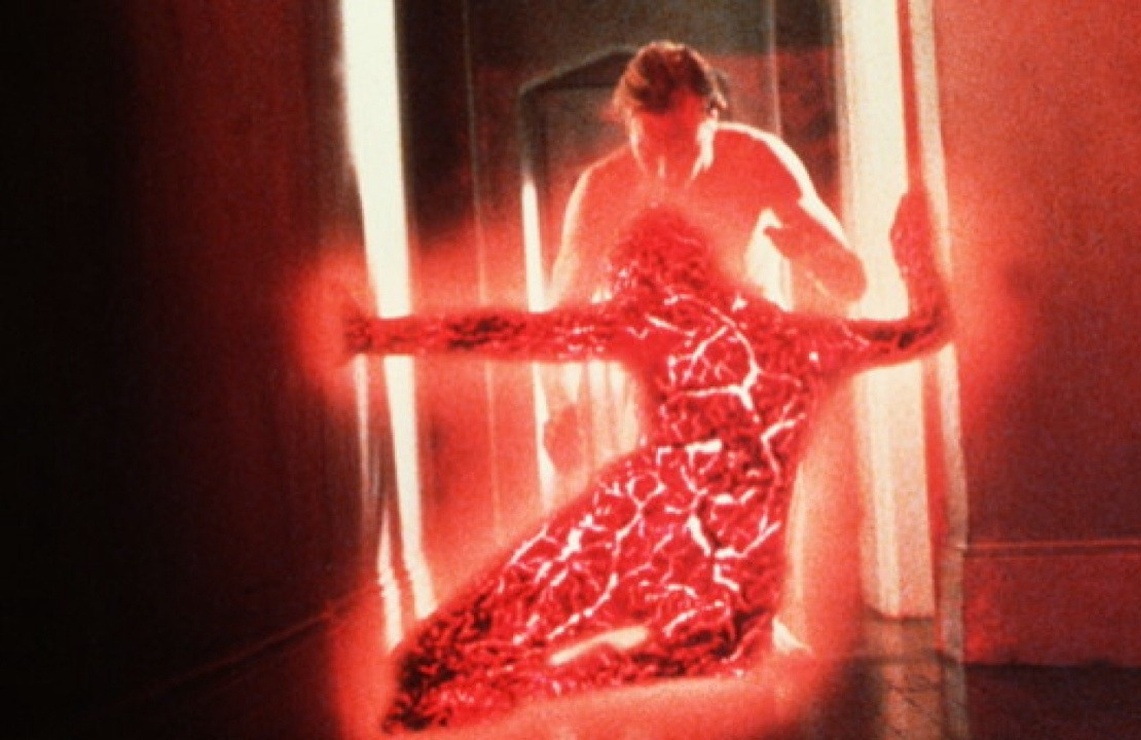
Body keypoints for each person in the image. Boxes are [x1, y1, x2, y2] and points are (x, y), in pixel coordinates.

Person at [347, 193, 948, 731]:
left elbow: (507, 331)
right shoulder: (807, 340)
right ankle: (509, 680)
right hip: (730, 602)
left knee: (440, 658)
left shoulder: (653, 320)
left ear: (646, 274)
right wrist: (915, 260)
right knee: (467, 659)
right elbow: (923, 331)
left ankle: (488, 682)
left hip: (659, 554)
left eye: (625, 277)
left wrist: (376, 334)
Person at [544, 40, 868, 480]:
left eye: (680, 147)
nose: (665, 171)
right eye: (648, 149)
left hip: (753, 382)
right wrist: (560, 406)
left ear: (712, 117)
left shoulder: (759, 161)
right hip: (656, 396)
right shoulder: (603, 189)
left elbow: (852, 282)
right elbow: (562, 316)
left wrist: (813, 257)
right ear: (629, 127)